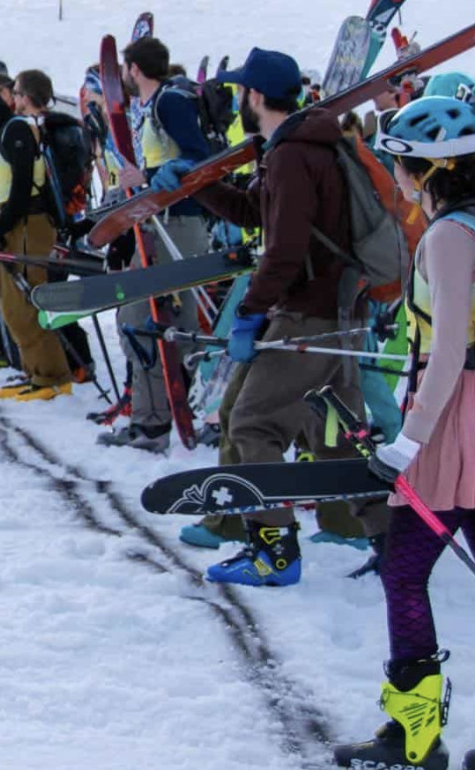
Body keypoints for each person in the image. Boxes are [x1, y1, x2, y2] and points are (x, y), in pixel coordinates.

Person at [333, 96, 475, 770]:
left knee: (404, 574)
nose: (397, 179)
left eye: (400, 166)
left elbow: (451, 351)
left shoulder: (450, 236)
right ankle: (413, 736)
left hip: (454, 420)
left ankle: (413, 739)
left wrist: (410, 441)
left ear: (429, 171)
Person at [167, 48, 376, 587]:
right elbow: (259, 213)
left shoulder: (290, 155)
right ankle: (393, 539)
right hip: (339, 309)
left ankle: (274, 551)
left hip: (309, 313)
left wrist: (250, 313)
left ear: (255, 96)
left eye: (241, 91)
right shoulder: (305, 146)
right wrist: (199, 185)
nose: (238, 99)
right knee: (335, 434)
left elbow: (283, 248)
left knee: (252, 423)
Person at [98, 36, 213, 452]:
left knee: (140, 320)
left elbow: (200, 156)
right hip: (157, 224)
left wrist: (146, 179)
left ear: (134, 70)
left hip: (175, 224)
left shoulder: (169, 102)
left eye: (126, 70)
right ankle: (162, 414)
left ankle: (156, 420)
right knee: (155, 323)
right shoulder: (152, 105)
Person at [0, 73, 72, 402]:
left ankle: (53, 377)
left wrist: (0, 225)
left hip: (28, 224)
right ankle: (34, 370)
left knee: (27, 304)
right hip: (15, 224)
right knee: (11, 308)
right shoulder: (1, 136)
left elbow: (23, 188)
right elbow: (7, 186)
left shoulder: (17, 130)